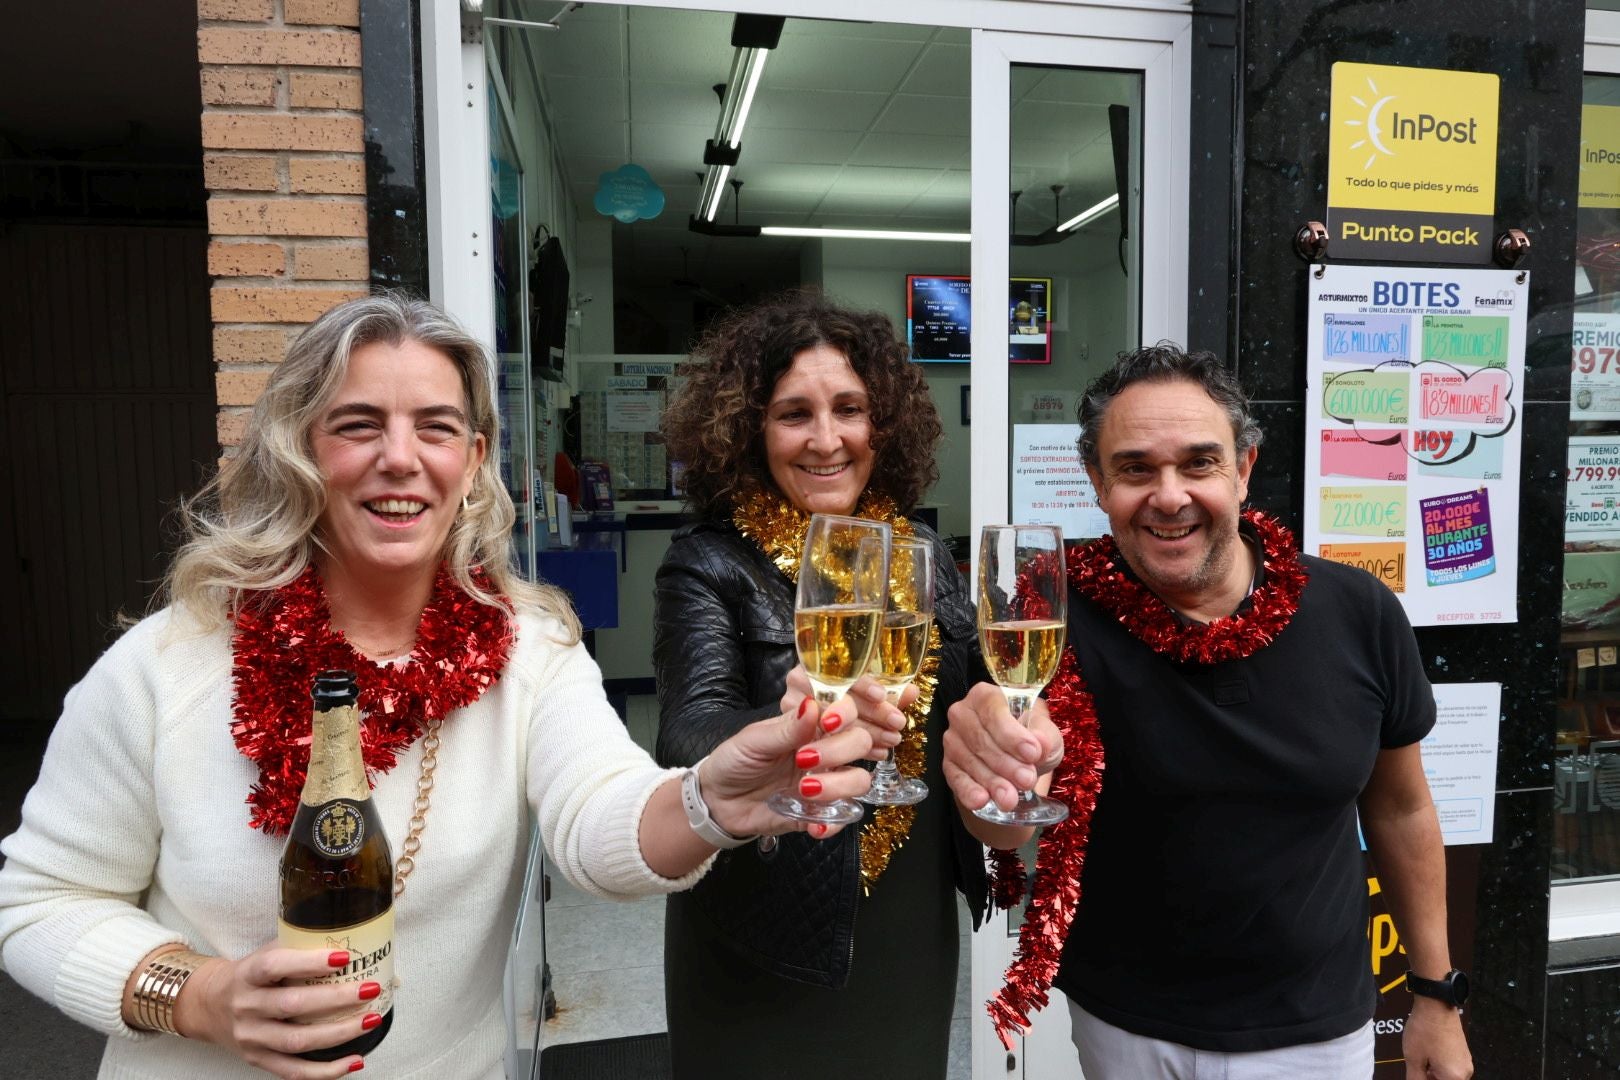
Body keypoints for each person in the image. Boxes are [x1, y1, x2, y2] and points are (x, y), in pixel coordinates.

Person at [0, 294, 878, 1080]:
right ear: (302, 448)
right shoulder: (169, 665)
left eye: (435, 426)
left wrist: (707, 801)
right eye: (356, 425)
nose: (399, 458)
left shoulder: (529, 651)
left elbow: (597, 817)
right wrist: (198, 996)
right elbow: (37, 901)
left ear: (474, 457)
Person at [943, 344, 1474, 1080]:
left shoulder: (1358, 611)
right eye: (1134, 468)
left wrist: (1435, 997)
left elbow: (1403, 810)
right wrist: (987, 779)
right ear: (1097, 483)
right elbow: (1007, 826)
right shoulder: (1041, 620)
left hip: (1315, 1030)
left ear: (1243, 469)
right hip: (1127, 1024)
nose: (1169, 495)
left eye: (1198, 463)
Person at [654, 290, 989, 1078]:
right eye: (794, 414)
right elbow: (685, 734)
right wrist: (788, 721)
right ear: (750, 429)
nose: (827, 439)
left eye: (850, 408)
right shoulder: (709, 562)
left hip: (909, 920)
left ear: (885, 423)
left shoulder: (924, 554)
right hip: (764, 921)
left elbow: (971, 707)